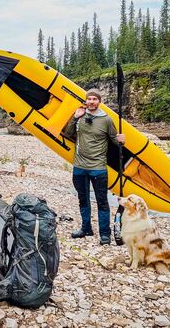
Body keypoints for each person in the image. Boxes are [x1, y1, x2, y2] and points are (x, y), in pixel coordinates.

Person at [62, 89, 125, 245]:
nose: (91, 101)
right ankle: (86, 229)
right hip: (79, 167)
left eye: (94, 99)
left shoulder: (107, 120)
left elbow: (114, 141)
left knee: (102, 201)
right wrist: (75, 118)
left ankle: (105, 234)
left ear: (99, 101)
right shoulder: (80, 116)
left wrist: (121, 140)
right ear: (86, 101)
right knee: (83, 200)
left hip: (98, 167)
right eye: (89, 99)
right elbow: (68, 133)